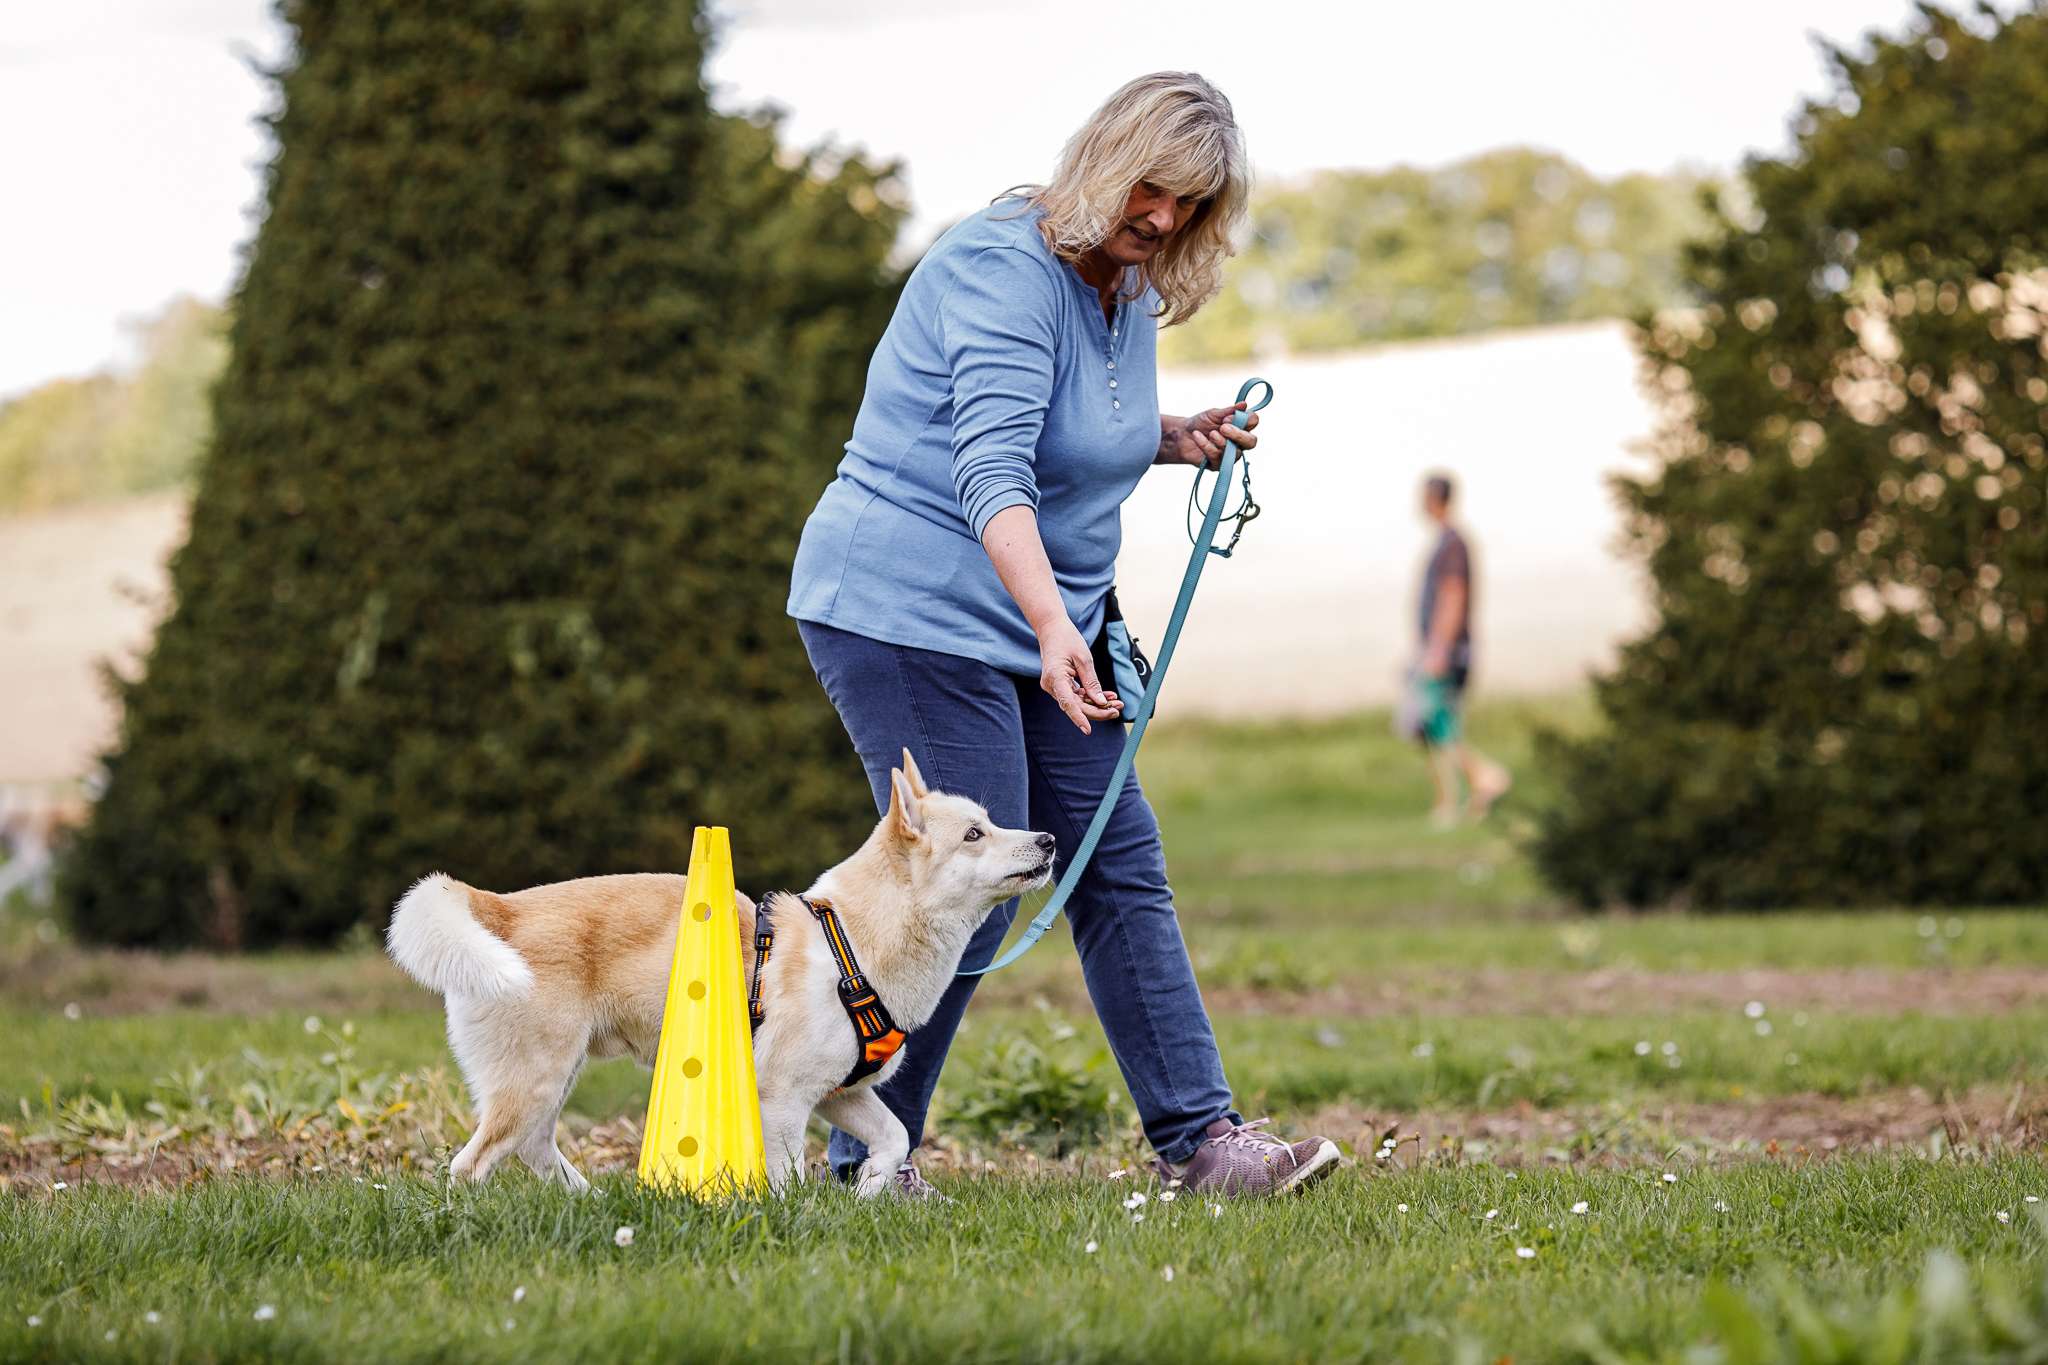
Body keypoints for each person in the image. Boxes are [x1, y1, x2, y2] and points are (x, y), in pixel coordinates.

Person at [786, 72, 1340, 1198]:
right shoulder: (999, 270)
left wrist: (1173, 437)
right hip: (909, 615)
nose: (1163, 219)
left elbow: (1066, 429)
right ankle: (867, 1163)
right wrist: (1051, 627)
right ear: (1103, 160)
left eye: (1191, 204)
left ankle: (1205, 1146)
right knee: (963, 884)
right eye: (1151, 188)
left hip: (1047, 629)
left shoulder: (1122, 285)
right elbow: (991, 468)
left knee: (1118, 863)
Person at [1411, 473, 1511, 826]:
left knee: (1439, 725)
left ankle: (1486, 778)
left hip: (1449, 653)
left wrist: (1437, 651)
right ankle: (1453, 799)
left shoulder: (1452, 544)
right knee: (1435, 729)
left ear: (1436, 499)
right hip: (1442, 650)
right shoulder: (1445, 541)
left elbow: (1452, 596)